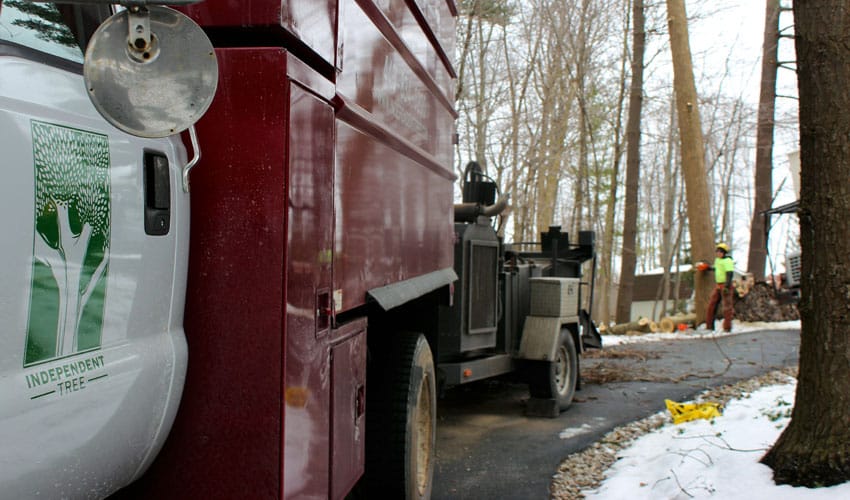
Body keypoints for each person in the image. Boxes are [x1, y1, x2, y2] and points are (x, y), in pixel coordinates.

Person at [698, 243, 735, 332]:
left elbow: (729, 273)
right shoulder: (718, 260)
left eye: (720, 252)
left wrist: (727, 286)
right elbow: (717, 268)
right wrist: (707, 268)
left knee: (727, 307)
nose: (718, 253)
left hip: (726, 285)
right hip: (718, 285)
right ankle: (709, 326)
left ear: (724, 253)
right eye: (717, 251)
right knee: (712, 305)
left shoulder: (728, 261)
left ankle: (727, 327)